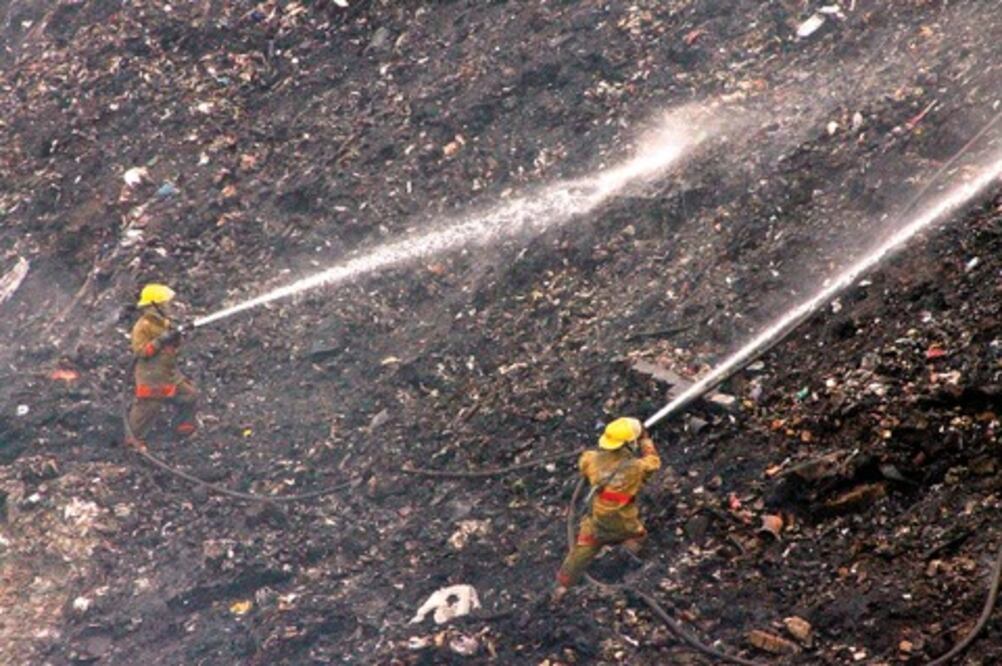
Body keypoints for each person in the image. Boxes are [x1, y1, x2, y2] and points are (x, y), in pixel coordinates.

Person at [552, 417, 660, 603]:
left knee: (580, 554)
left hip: (597, 519)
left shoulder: (590, 459)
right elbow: (653, 462)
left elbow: (584, 465)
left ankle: (561, 587)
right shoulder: (635, 467)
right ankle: (628, 563)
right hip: (622, 520)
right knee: (638, 536)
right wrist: (646, 441)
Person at [125, 283, 198, 451]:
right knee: (149, 406)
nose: (168, 305)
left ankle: (182, 426)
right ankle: (134, 439)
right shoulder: (142, 326)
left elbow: (174, 344)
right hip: (152, 376)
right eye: (165, 302)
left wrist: (180, 332)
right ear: (154, 306)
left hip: (169, 372)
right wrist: (161, 340)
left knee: (189, 395)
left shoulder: (164, 322)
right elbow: (141, 352)